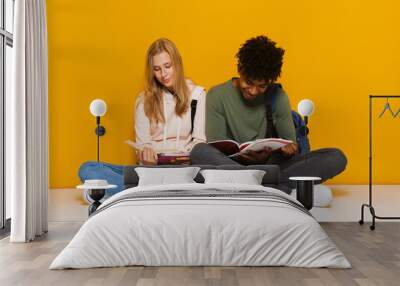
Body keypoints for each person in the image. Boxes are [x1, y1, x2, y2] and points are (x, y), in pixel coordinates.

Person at [190, 35, 347, 189]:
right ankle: (269, 183)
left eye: (262, 86)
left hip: (271, 165)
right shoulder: (216, 95)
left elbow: (291, 145)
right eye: (249, 83)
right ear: (239, 69)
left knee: (336, 157)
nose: (253, 91)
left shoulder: (278, 96)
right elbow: (217, 144)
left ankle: (249, 182)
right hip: (230, 164)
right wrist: (238, 156)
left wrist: (284, 150)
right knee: (199, 151)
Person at [79, 38, 206, 198]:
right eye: (157, 69)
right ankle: (157, 192)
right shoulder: (144, 100)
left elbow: (200, 142)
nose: (163, 74)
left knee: (205, 174)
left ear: (177, 64)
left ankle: (137, 192)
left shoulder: (197, 95)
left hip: (183, 172)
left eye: (168, 66)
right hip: (150, 172)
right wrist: (146, 154)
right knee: (88, 169)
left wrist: (185, 157)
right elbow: (144, 142)